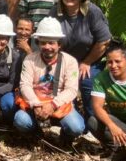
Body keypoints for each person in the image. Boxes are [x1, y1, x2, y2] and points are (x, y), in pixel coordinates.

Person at [13, 17, 85, 145]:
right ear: (38, 43)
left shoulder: (70, 62)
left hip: (59, 105)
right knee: (20, 120)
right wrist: (35, 104)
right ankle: (35, 134)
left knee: (77, 127)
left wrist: (53, 105)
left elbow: (71, 89)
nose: (47, 47)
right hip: (36, 104)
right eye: (43, 43)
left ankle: (65, 138)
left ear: (59, 44)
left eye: (51, 43)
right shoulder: (30, 59)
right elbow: (25, 85)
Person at [49, 0, 111, 120]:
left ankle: (93, 124)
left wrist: (87, 62)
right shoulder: (55, 12)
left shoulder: (92, 12)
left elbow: (104, 40)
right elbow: (48, 38)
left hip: (90, 59)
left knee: (87, 84)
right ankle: (69, 122)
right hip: (64, 59)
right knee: (58, 86)